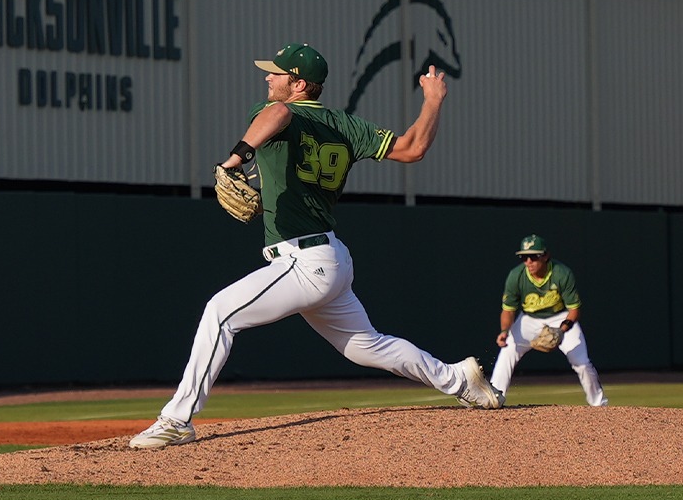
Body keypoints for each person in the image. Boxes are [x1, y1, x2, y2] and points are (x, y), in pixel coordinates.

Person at [130, 42, 498, 450]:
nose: (268, 78)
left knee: (219, 313)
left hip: (304, 260)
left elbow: (281, 112)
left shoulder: (278, 112)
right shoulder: (345, 125)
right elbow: (413, 148)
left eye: (277, 73)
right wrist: (432, 101)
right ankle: (458, 378)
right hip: (331, 257)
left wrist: (234, 160)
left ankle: (177, 420)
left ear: (299, 83)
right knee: (366, 346)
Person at [490, 234, 605, 407]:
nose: (528, 261)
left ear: (545, 256)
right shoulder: (516, 276)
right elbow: (508, 311)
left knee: (581, 363)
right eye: (524, 257)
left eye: (533, 256)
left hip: (561, 317)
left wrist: (562, 330)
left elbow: (574, 310)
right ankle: (494, 399)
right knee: (507, 350)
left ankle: (599, 405)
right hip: (529, 319)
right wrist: (504, 331)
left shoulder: (561, 273)